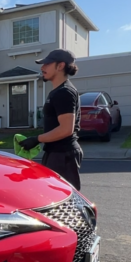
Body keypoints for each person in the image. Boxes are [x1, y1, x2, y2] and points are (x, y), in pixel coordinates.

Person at [18, 49, 83, 190]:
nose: (42, 68)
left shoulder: (64, 92)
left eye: (47, 64)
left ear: (60, 66)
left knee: (63, 200)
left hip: (63, 155)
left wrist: (37, 139)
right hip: (56, 153)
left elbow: (66, 129)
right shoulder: (58, 91)